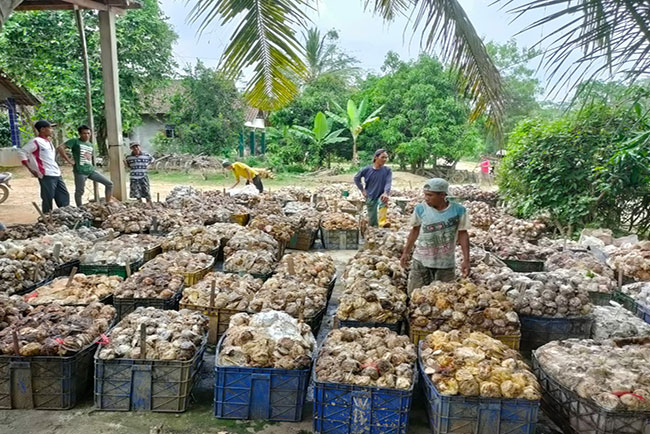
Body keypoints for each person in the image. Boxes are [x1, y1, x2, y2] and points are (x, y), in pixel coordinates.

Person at [400, 178, 470, 295]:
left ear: (442, 195)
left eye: (430, 195)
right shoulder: (420, 208)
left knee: (442, 298)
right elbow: (415, 230)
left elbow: (463, 234)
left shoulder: (459, 211)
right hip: (421, 261)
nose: (426, 198)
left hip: (445, 263)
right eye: (425, 195)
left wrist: (466, 260)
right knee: (415, 295)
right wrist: (405, 252)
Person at [20, 120, 70, 213]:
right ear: (42, 129)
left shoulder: (48, 142)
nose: (52, 130)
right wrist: (31, 169)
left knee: (64, 195)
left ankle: (65, 215)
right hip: (46, 173)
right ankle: (47, 217)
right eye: (50, 128)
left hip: (56, 173)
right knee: (48, 198)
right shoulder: (36, 141)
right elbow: (22, 152)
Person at [59, 125, 114, 206]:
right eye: (84, 133)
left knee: (109, 184)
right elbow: (60, 148)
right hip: (80, 171)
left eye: (88, 133)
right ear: (80, 134)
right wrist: (69, 160)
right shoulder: (75, 141)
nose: (87, 135)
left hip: (91, 170)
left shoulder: (90, 145)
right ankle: (80, 208)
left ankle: (108, 202)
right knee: (79, 191)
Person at [353, 149, 392, 227]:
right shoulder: (367, 170)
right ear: (375, 157)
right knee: (372, 219)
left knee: (383, 202)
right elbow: (356, 178)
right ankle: (373, 230)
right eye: (382, 157)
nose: (384, 160)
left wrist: (385, 192)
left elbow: (388, 182)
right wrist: (362, 190)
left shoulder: (387, 170)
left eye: (386, 158)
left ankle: (382, 223)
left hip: (382, 194)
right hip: (370, 195)